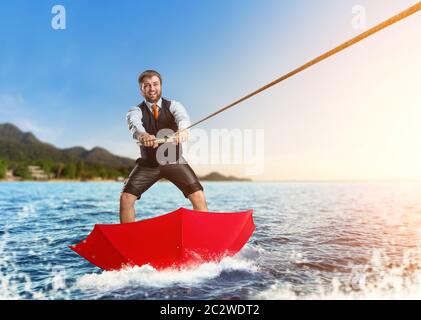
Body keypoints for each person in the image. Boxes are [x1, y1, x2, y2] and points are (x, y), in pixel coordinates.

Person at [120, 70, 208, 223]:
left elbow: (183, 118)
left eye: (155, 84)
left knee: (198, 194)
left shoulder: (174, 105)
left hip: (174, 161)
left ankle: (204, 234)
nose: (152, 88)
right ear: (141, 90)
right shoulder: (134, 111)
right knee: (126, 199)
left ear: (161, 86)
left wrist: (183, 129)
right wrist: (143, 135)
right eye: (146, 85)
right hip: (148, 165)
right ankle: (128, 239)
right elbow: (135, 126)